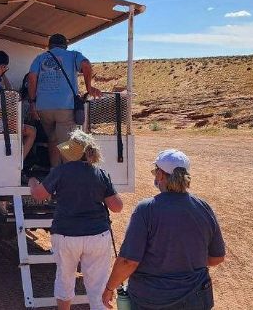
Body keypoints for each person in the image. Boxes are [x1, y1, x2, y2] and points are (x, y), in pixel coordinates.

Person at [102, 149, 226, 310]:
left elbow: (128, 261)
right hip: (197, 298)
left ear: (160, 175)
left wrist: (109, 288)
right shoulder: (203, 207)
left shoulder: (146, 209)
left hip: (152, 299)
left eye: (155, 172)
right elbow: (217, 257)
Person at [29, 129, 123, 310]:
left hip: (66, 234)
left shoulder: (61, 171)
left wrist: (32, 181)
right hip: (97, 235)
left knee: (65, 280)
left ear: (72, 153)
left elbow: (39, 195)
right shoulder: (100, 173)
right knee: (97, 286)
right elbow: (117, 207)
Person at [28, 33, 102, 167]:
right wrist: (89, 87)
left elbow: (32, 78)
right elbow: (85, 64)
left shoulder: (40, 58)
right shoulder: (73, 55)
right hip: (65, 106)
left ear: (49, 46)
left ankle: (55, 171)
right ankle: (69, 175)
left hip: (43, 107)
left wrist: (33, 102)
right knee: (68, 143)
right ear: (65, 46)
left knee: (52, 140)